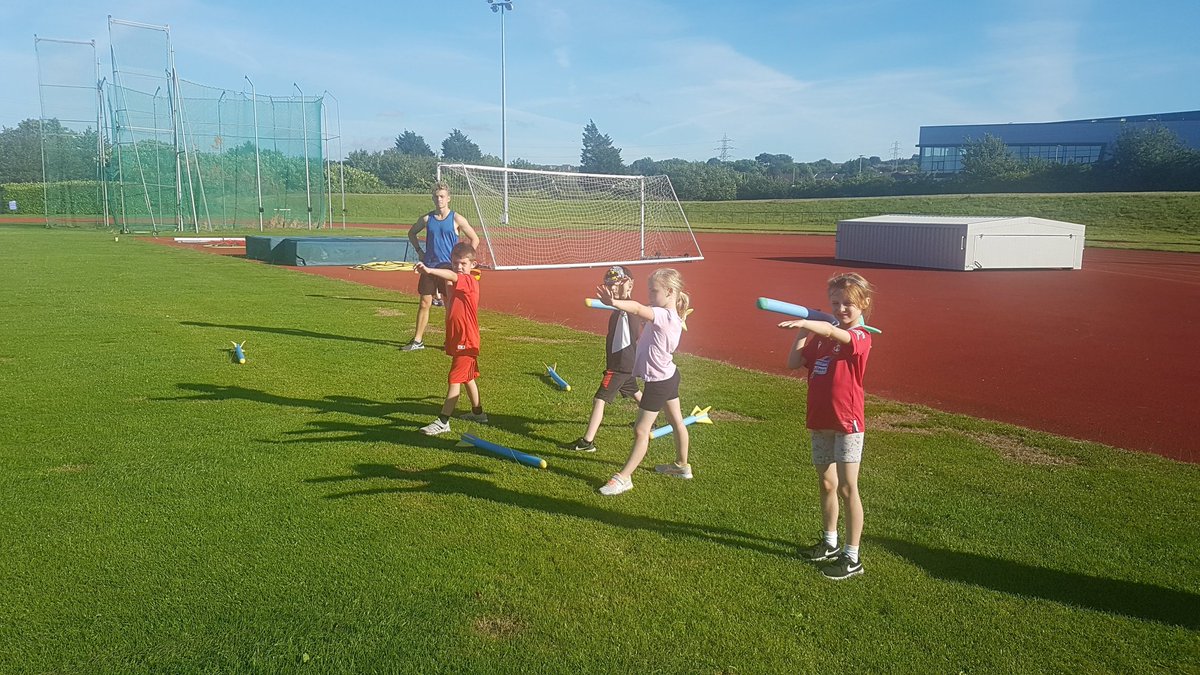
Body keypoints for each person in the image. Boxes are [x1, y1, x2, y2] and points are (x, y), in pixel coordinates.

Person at [780, 272, 875, 580]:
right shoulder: (821, 335)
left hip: (847, 422)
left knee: (848, 488)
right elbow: (794, 363)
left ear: (864, 304)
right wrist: (803, 329)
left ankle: (852, 556)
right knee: (827, 484)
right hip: (820, 420)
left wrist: (811, 323)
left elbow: (840, 336)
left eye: (848, 303)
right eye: (835, 303)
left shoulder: (860, 337)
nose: (841, 309)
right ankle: (830, 542)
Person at [595, 268, 691, 496]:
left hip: (659, 382)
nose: (649, 294)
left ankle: (623, 478)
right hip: (669, 375)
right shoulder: (666, 313)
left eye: (653, 290)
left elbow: (638, 308)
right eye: (649, 289)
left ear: (669, 292)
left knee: (641, 430)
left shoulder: (664, 316)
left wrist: (615, 302)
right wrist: (618, 299)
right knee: (677, 421)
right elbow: (638, 310)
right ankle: (682, 466)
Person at [415, 242, 487, 435]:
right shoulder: (455, 283)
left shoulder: (470, 281)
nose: (459, 267)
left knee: (454, 378)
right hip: (458, 338)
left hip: (467, 340)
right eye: (455, 263)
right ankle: (478, 413)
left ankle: (443, 421)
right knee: (468, 377)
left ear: (473, 264)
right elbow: (451, 305)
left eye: (463, 263)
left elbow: (453, 276)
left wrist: (429, 270)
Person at [569, 266, 642, 453]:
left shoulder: (629, 308)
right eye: (609, 286)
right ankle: (652, 420)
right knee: (634, 391)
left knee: (599, 399)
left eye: (615, 286)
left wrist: (624, 294)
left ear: (628, 285)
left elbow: (628, 306)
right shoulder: (620, 309)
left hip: (619, 365)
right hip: (624, 364)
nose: (611, 290)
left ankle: (587, 442)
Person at [402, 182, 479, 351]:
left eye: (442, 196)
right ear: (432, 198)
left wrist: (463, 261)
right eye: (436, 196)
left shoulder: (457, 218)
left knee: (450, 305)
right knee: (424, 303)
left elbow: (475, 239)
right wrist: (419, 251)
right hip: (429, 266)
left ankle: (449, 340)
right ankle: (418, 340)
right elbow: (411, 233)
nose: (439, 199)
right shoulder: (427, 219)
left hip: (448, 270)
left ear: (448, 198)